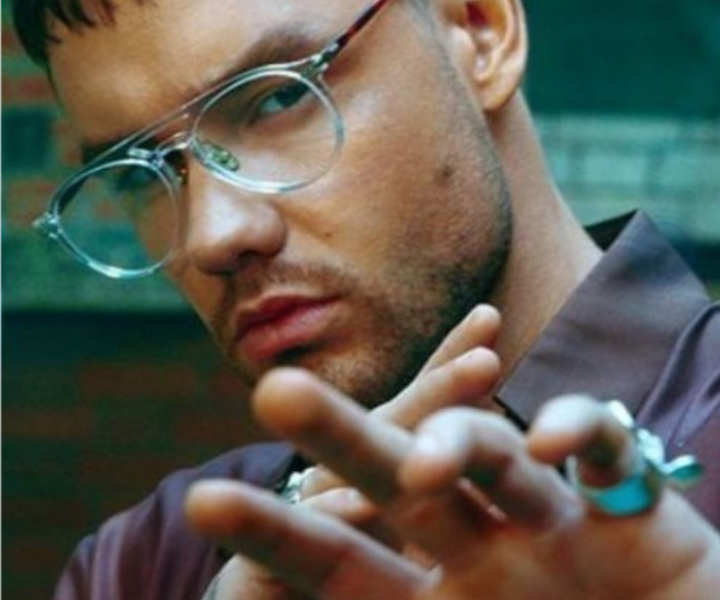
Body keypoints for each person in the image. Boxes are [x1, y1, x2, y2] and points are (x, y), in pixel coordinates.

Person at [10, 0, 720, 599]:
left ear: (480, 30)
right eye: (138, 176)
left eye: (278, 97)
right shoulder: (146, 566)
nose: (212, 236)